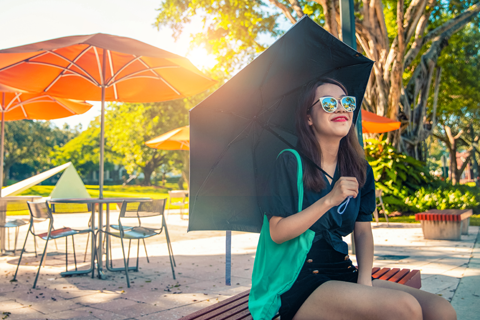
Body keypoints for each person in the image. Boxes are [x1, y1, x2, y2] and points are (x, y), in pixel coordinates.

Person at [252, 78, 457, 320]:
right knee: (405, 308)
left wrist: (364, 281)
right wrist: (329, 200)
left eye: (346, 102)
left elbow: (362, 231)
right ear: (308, 118)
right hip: (298, 279)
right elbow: (277, 232)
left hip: (342, 270)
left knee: (441, 311)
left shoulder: (359, 169)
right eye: (328, 103)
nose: (341, 108)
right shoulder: (290, 161)